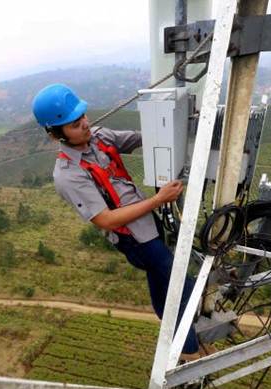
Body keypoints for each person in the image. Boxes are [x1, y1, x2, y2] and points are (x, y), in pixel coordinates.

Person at [32, 83, 201, 361]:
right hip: (135, 240)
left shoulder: (99, 137)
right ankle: (191, 353)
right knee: (181, 288)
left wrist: (172, 124)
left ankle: (179, 336)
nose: (85, 125)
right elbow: (106, 220)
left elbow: (136, 139)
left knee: (164, 289)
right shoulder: (68, 175)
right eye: (75, 124)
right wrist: (158, 200)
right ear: (56, 135)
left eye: (83, 117)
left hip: (150, 223)